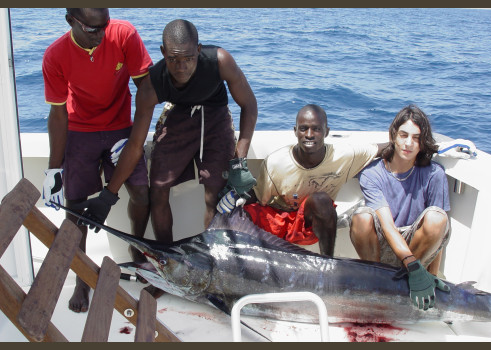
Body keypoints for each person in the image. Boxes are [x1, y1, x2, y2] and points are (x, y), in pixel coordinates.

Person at [77, 19, 257, 274]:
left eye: (188, 59)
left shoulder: (220, 61)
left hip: (215, 117)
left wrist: (239, 163)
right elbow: (136, 146)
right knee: (158, 189)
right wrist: (109, 195)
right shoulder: (152, 84)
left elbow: (249, 105)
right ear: (162, 52)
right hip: (179, 116)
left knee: (215, 196)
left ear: (198, 49)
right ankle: (167, 265)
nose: (181, 67)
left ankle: (213, 268)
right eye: (173, 59)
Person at [41, 8, 152, 313]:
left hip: (121, 128)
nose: (102, 34)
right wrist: (54, 169)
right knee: (74, 206)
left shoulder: (124, 33)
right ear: (70, 21)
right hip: (80, 129)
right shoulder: (55, 55)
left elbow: (147, 89)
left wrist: (134, 141)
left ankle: (136, 249)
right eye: (92, 29)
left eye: (104, 26)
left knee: (142, 192)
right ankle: (81, 276)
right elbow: (58, 113)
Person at [218, 104, 387, 257]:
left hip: (310, 224)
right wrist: (234, 196)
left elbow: (383, 148)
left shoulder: (345, 155)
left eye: (316, 129)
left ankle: (327, 261)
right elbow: (259, 198)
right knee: (238, 217)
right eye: (303, 129)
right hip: (278, 220)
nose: (309, 135)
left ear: (327, 131)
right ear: (295, 131)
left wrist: (409, 142)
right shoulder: (276, 162)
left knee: (321, 200)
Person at [349, 104, 453, 311]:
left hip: (418, 248)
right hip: (386, 244)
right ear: (393, 135)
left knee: (437, 217)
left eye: (416, 138)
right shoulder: (372, 172)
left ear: (423, 143)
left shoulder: (434, 173)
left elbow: (438, 234)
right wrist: (412, 265)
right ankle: (377, 282)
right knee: (361, 218)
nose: (408, 143)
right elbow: (387, 227)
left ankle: (407, 280)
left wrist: (430, 276)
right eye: (403, 135)